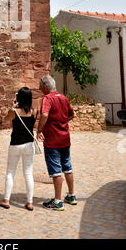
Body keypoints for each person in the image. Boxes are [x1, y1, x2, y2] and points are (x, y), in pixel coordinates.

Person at [37, 75, 77, 211]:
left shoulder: (48, 98)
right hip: (65, 138)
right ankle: (71, 195)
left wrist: (39, 130)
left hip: (52, 140)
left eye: (40, 87)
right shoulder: (63, 98)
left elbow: (44, 114)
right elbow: (72, 114)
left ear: (46, 87)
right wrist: (62, 122)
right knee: (67, 166)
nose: (39, 89)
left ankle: (57, 201)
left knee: (55, 171)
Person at [0, 87, 38, 211]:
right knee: (28, 173)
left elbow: (5, 120)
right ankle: (30, 202)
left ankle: (6, 199)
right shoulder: (35, 111)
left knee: (10, 172)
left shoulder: (14, 111)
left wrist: (12, 107)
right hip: (29, 145)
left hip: (15, 143)